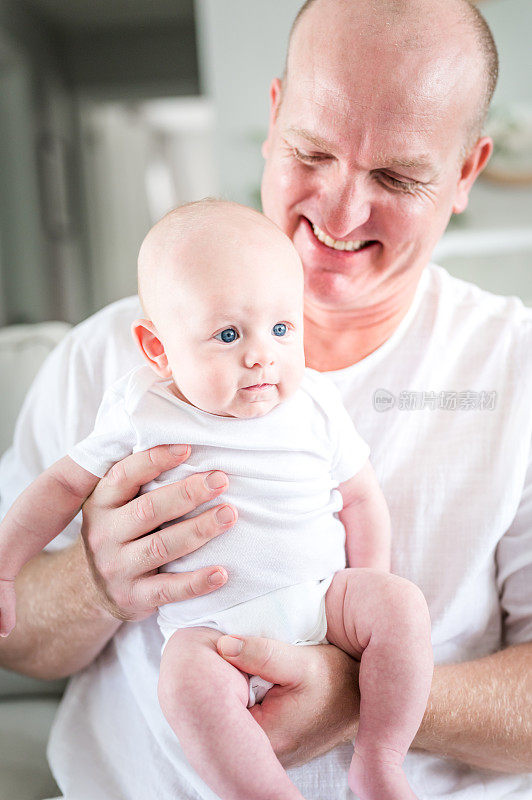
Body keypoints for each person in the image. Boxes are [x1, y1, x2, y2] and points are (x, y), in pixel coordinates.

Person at [0, 0, 530, 798]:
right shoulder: (111, 368)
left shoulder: (513, 369)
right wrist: (93, 581)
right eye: (312, 151)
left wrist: (358, 695)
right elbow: (16, 637)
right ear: (275, 117)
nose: (340, 212)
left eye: (397, 175)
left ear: (465, 173)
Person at [0, 199, 432, 800]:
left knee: (403, 607)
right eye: (228, 334)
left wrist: (365, 594)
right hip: (212, 635)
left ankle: (380, 759)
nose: (262, 355)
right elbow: (59, 488)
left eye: (282, 329)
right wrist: (5, 566)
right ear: (159, 350)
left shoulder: (314, 404)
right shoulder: (142, 412)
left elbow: (360, 498)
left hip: (322, 604)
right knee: (182, 684)